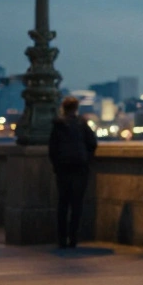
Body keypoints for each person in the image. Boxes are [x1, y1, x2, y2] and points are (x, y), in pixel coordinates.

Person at [48, 96, 97, 248]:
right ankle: (73, 238)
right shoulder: (82, 124)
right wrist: (86, 160)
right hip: (80, 168)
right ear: (76, 108)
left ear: (63, 108)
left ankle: (62, 239)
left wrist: (57, 166)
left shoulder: (58, 125)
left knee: (63, 203)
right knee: (77, 204)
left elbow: (52, 149)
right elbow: (92, 143)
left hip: (63, 169)